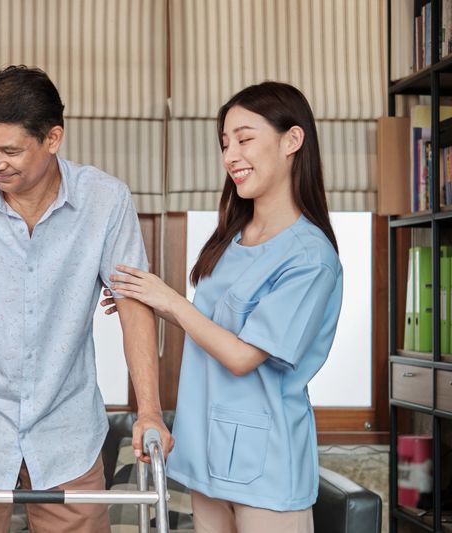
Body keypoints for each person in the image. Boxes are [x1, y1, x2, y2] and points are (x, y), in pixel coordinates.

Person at [0, 65, 173, 532]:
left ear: (53, 138)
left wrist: (149, 412)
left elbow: (134, 308)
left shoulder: (106, 201)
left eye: (10, 150)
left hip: (68, 431)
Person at [103, 81, 342, 533]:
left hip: (268, 469)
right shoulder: (232, 238)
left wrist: (168, 299)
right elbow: (215, 328)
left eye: (245, 139)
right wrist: (150, 301)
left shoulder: (310, 258)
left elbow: (241, 356)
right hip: (207, 457)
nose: (231, 155)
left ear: (292, 140)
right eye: (225, 143)